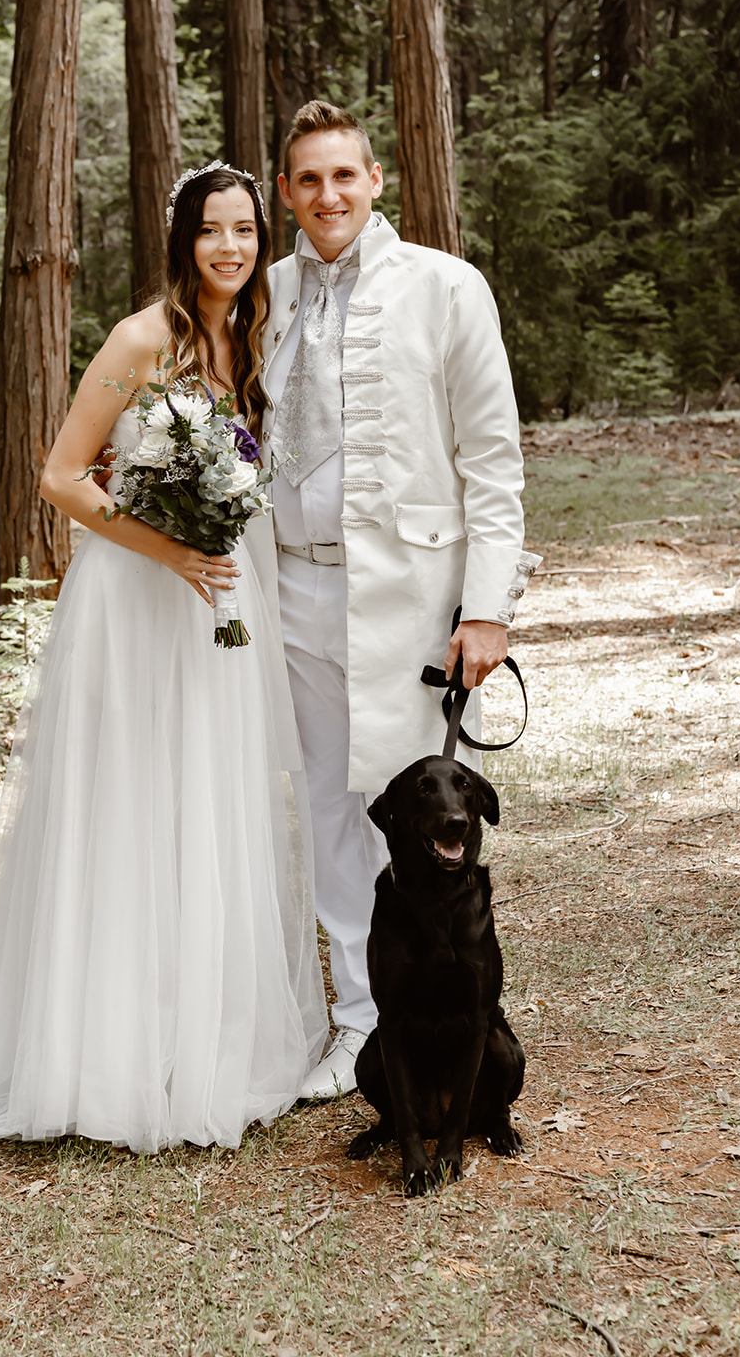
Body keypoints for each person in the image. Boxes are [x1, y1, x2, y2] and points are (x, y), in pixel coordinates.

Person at [0, 163, 327, 1148]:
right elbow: (59, 476)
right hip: (136, 599)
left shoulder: (254, 336)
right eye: (209, 231)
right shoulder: (141, 339)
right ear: (181, 240)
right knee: (130, 801)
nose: (228, 247)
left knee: (210, 800)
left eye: (243, 230)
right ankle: (105, 1044)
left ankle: (201, 1028)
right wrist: (170, 547)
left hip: (220, 598)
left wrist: (213, 546)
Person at [262, 100, 540, 1100]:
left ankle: (454, 1022)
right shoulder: (268, 292)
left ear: (374, 178)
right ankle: (357, 1024)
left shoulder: (444, 288)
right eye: (306, 179)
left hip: (410, 599)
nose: (326, 195)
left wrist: (486, 607)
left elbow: (492, 462)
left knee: (415, 819)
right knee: (330, 811)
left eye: (344, 175)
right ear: (286, 191)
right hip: (291, 585)